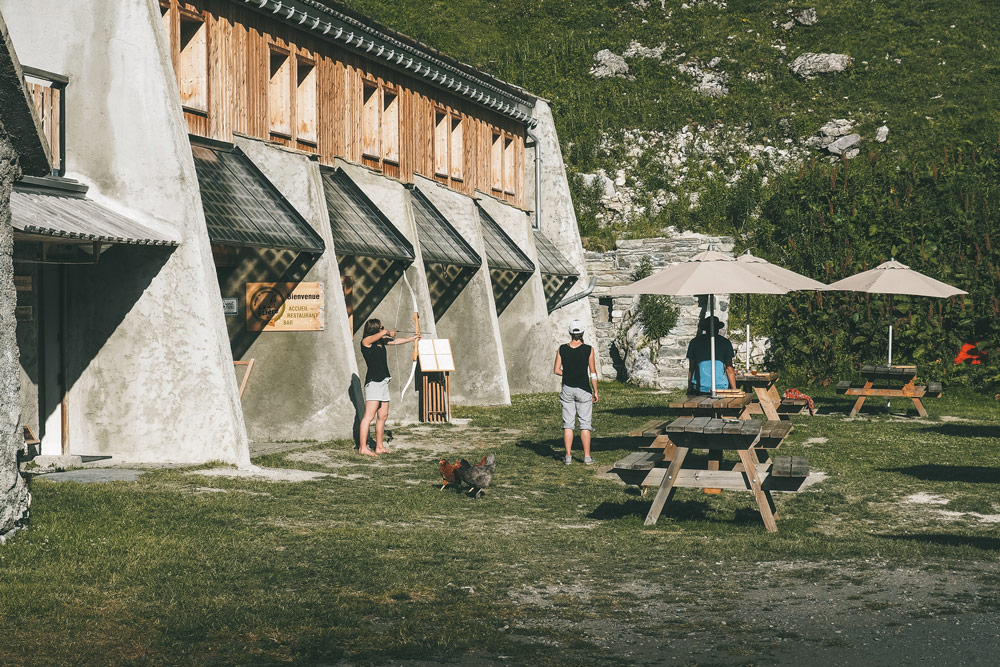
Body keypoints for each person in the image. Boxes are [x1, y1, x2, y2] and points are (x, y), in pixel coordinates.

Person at [358, 317, 419, 456]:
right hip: (373, 383)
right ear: (375, 329)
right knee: (369, 416)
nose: (382, 328)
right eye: (380, 327)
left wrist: (412, 339)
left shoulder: (381, 342)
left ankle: (379, 447)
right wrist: (386, 332)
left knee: (383, 415)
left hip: (384, 382)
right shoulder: (366, 342)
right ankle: (363, 448)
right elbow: (380, 335)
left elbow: (396, 341)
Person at [554, 319, 598, 465]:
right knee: (585, 424)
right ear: (583, 332)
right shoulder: (589, 349)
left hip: (567, 388)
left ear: (570, 332)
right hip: (584, 389)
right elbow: (593, 373)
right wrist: (595, 391)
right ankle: (586, 457)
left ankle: (568, 457)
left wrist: (567, 374)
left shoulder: (562, 348)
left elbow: (556, 370)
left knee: (568, 424)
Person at [686, 315, 737, 393]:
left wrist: (689, 388)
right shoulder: (725, 342)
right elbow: (729, 368)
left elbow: (691, 368)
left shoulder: (695, 342)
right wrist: (734, 389)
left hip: (699, 385)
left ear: (705, 329)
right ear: (717, 329)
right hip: (720, 386)